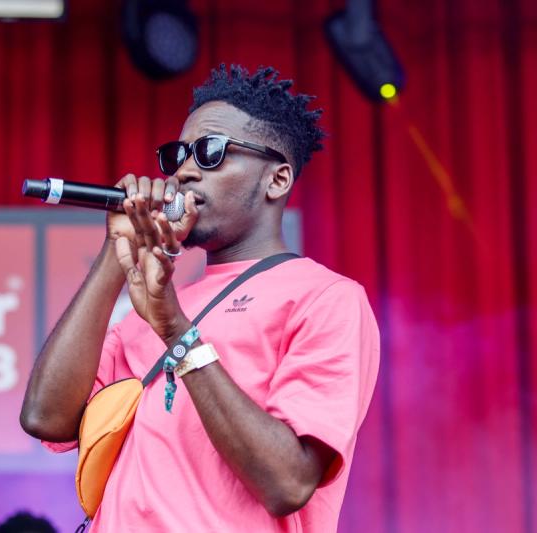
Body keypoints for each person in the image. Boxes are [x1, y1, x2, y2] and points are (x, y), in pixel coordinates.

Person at [20, 64, 380, 532]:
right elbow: (45, 417)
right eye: (177, 156)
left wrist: (177, 333)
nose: (186, 172)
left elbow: (287, 483)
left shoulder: (325, 299)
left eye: (211, 152)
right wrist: (118, 251)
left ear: (277, 180)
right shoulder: (155, 306)